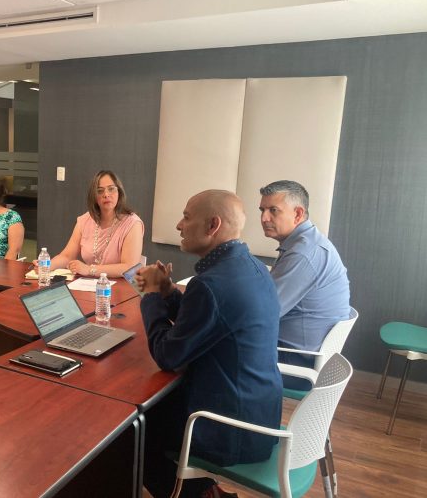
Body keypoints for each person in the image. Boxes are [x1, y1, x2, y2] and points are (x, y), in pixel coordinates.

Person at [136, 190, 282, 498]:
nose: (179, 225)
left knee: (130, 433)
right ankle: (205, 491)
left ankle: (200, 494)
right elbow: (206, 320)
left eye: (187, 217)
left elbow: (167, 355)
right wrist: (167, 291)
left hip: (230, 426)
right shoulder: (252, 267)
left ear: (213, 225)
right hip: (257, 412)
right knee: (149, 413)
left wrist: (150, 295)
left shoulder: (211, 284)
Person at [259, 180, 350, 379]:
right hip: (302, 353)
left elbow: (263, 313)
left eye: (273, 210)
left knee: (211, 350)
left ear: (298, 214)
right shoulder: (307, 242)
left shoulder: (303, 253)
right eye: (262, 210)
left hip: (295, 361)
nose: (264, 218)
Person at [42, 170, 144, 277]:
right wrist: (45, 265)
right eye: (100, 191)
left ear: (119, 192)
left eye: (111, 189)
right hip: (90, 283)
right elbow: (67, 256)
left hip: (121, 285)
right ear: (94, 197)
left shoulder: (133, 223)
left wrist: (90, 269)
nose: (106, 194)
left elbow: (129, 267)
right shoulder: (85, 220)